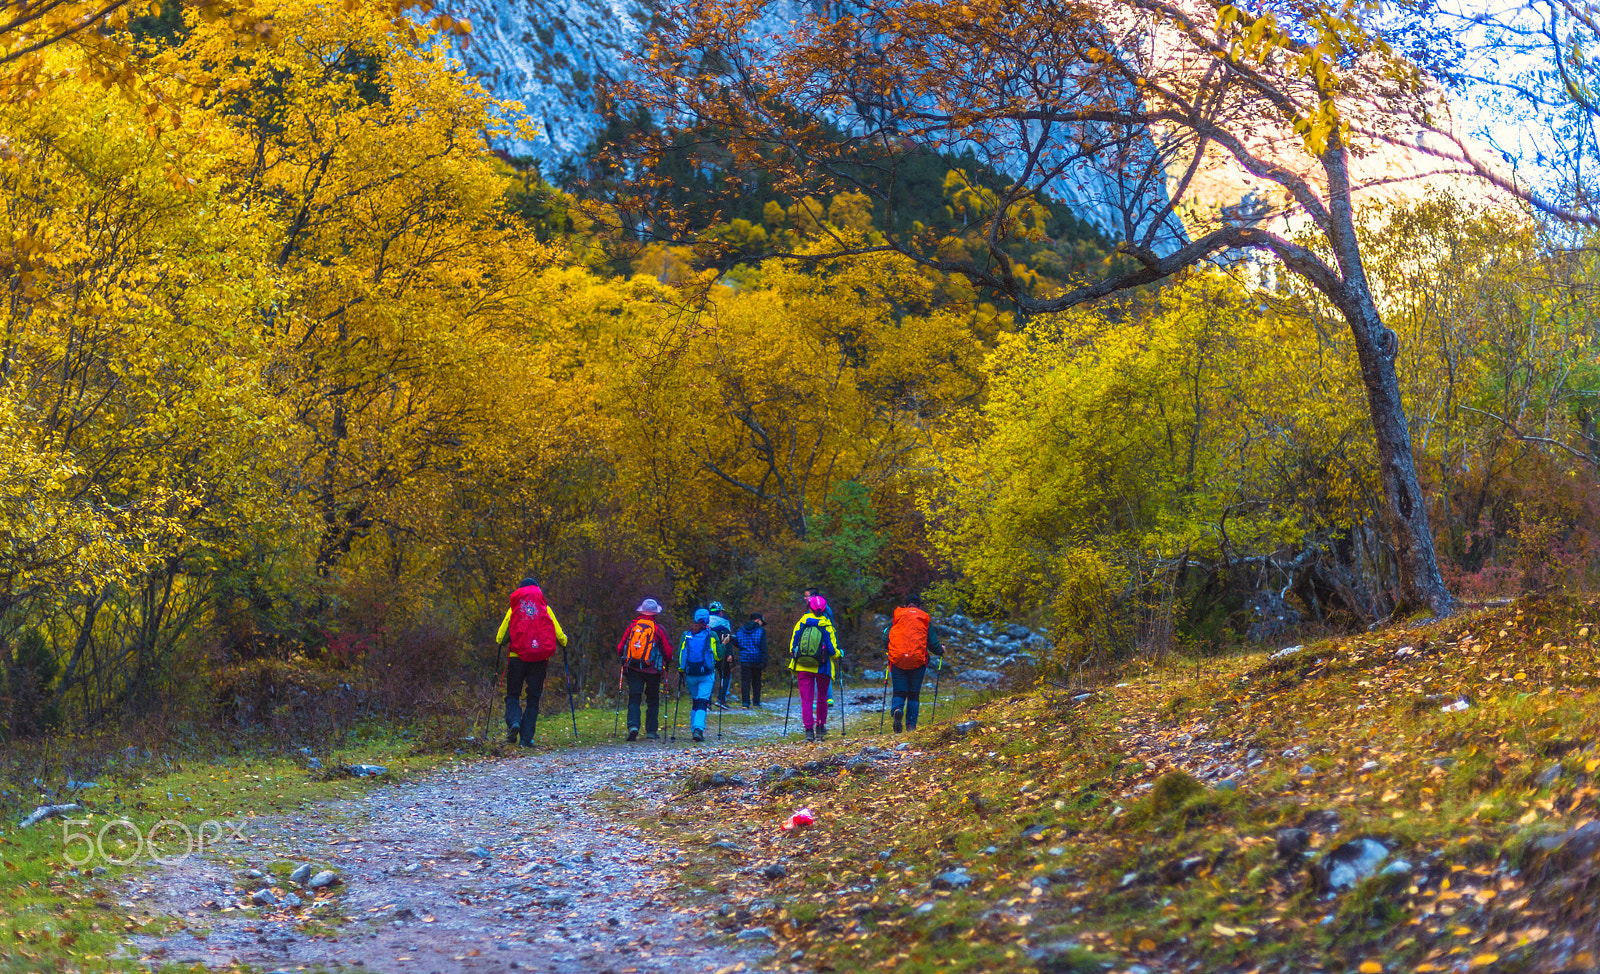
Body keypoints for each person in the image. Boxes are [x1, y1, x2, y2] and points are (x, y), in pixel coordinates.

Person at [495, 577, 568, 746]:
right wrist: (564, 641)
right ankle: (526, 739)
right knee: (533, 698)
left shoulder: (514, 609)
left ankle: (514, 722)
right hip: (539, 660)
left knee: (513, 694)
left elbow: (500, 638)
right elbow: (560, 636)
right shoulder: (545, 609)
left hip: (516, 658)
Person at [882, 596, 944, 733]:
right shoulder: (924, 618)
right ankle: (911, 726)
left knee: (899, 692)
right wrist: (941, 650)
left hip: (897, 660)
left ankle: (897, 710)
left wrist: (890, 648)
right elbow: (933, 643)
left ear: (905, 605)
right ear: (919, 606)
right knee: (913, 695)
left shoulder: (897, 617)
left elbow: (886, 636)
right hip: (917, 661)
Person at [617, 598, 672, 741]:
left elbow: (620, 647)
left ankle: (633, 726)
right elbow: (667, 651)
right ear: (655, 614)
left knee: (634, 697)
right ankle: (651, 730)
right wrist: (668, 661)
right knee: (652, 699)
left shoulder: (632, 627)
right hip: (652, 670)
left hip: (633, 668)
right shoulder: (658, 629)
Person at [789, 595, 840, 741]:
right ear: (824, 609)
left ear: (809, 608)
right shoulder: (827, 625)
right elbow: (832, 651)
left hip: (803, 666)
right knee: (822, 698)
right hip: (822, 668)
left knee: (807, 700)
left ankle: (809, 731)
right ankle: (820, 726)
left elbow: (793, 648)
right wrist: (839, 654)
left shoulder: (801, 623)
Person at [677, 608, 722, 742]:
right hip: (706, 673)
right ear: (707, 619)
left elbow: (681, 653)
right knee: (703, 701)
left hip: (690, 673)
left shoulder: (687, 634)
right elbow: (718, 655)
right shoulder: (711, 634)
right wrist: (724, 644)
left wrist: (681, 670)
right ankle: (698, 729)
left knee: (695, 700)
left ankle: (694, 728)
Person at [734, 612, 767, 707]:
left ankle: (745, 702)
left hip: (745, 660)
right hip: (757, 659)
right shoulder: (761, 631)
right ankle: (756, 702)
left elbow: (737, 643)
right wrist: (764, 661)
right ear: (758, 620)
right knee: (756, 681)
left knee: (745, 682)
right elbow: (763, 647)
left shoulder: (740, 630)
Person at [708, 601, 735, 708]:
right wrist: (729, 653)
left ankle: (707, 701)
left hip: (707, 654)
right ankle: (721, 699)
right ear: (720, 612)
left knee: (708, 677)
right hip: (720, 651)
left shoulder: (704, 622)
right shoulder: (724, 622)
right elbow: (727, 638)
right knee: (725, 675)